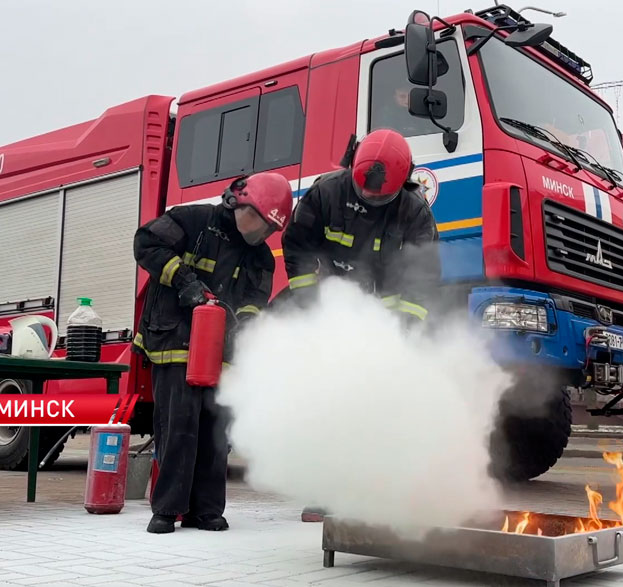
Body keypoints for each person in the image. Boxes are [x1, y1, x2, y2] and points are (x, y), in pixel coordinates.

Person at [280, 128, 442, 522]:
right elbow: (297, 245)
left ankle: (380, 493)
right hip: (335, 313)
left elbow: (425, 273)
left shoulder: (413, 210)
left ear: (402, 183)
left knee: (382, 407)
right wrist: (310, 299)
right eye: (363, 191)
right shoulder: (326, 192)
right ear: (353, 168)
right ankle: (324, 494)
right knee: (331, 404)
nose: (370, 198)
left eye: (379, 196)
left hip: (386, 320)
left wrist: (407, 324)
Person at [132, 172, 293, 533]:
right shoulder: (193, 221)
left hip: (220, 351)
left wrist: (243, 328)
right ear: (238, 201)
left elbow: (253, 303)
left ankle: (205, 511)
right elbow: (146, 244)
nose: (261, 234)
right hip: (174, 342)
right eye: (259, 223)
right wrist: (185, 282)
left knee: (217, 430)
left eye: (269, 229)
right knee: (180, 426)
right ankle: (167, 510)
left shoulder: (260, 259)